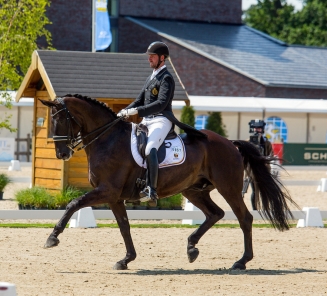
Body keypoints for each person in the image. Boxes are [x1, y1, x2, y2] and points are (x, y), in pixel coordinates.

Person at [117, 41, 206, 204]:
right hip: (147, 120)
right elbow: (139, 100)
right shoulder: (151, 77)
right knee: (132, 146)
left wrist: (137, 112)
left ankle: (151, 189)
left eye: (152, 56)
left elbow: (161, 104)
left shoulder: (166, 78)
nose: (149, 59)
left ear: (162, 58)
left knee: (151, 147)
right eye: (149, 56)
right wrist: (124, 111)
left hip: (161, 120)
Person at [244, 119, 273, 210]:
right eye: (255, 128)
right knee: (255, 191)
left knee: (265, 190)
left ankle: (266, 209)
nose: (257, 130)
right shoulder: (247, 142)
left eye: (259, 128)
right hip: (252, 170)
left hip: (264, 169)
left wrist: (265, 159)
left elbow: (270, 155)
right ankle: (255, 209)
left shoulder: (266, 143)